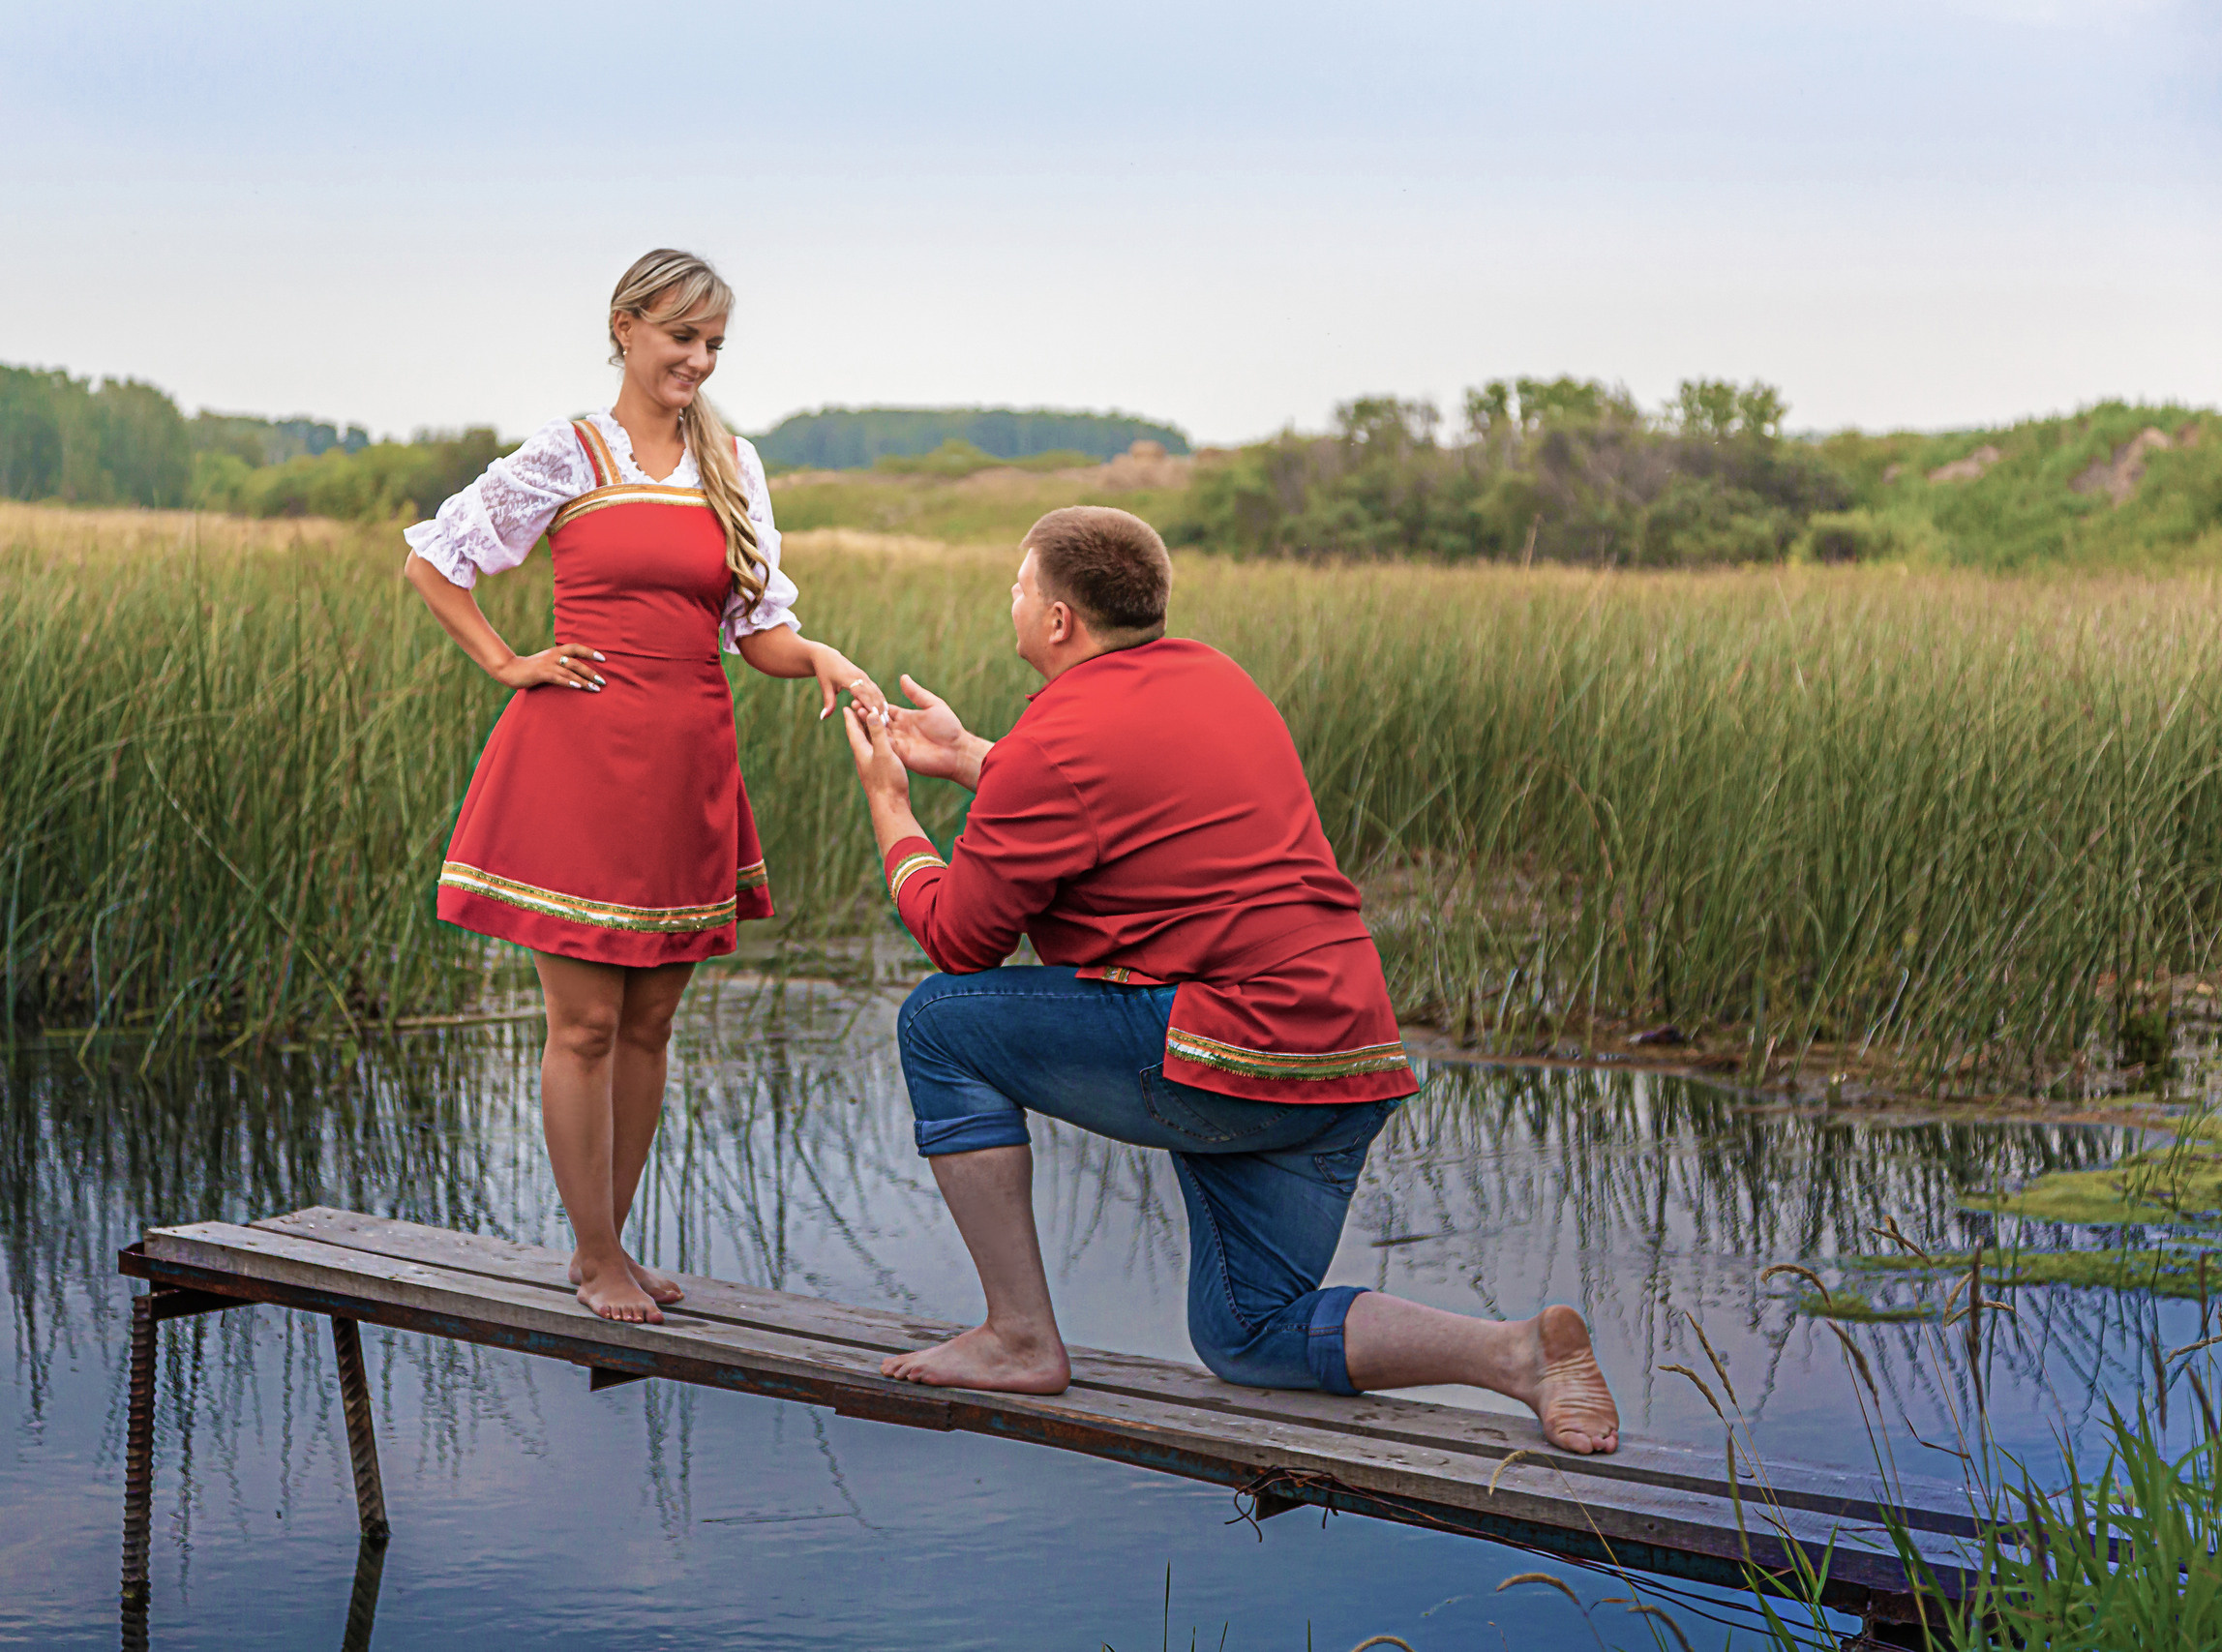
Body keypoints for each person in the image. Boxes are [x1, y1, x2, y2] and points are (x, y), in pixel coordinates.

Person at [838, 506, 1620, 1454]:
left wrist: (891, 805)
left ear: (1056, 621)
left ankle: (1015, 1335)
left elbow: (960, 939)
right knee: (1245, 1334)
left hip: (1227, 1052)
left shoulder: (1054, 744)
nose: (1010, 599)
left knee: (937, 1023)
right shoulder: (1214, 679)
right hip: (1346, 1057)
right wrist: (970, 758)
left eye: (1017, 585)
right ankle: (1515, 1355)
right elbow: (1111, 793)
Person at [405, 249, 885, 1325]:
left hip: (686, 764)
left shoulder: (733, 464)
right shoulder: (568, 455)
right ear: (626, 327)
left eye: (713, 344)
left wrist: (824, 660)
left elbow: (756, 633)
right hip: (578, 761)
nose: (699, 361)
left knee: (651, 1023)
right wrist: (508, 661)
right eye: (682, 338)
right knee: (580, 1025)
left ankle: (604, 1247)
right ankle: (596, 1255)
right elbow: (437, 561)